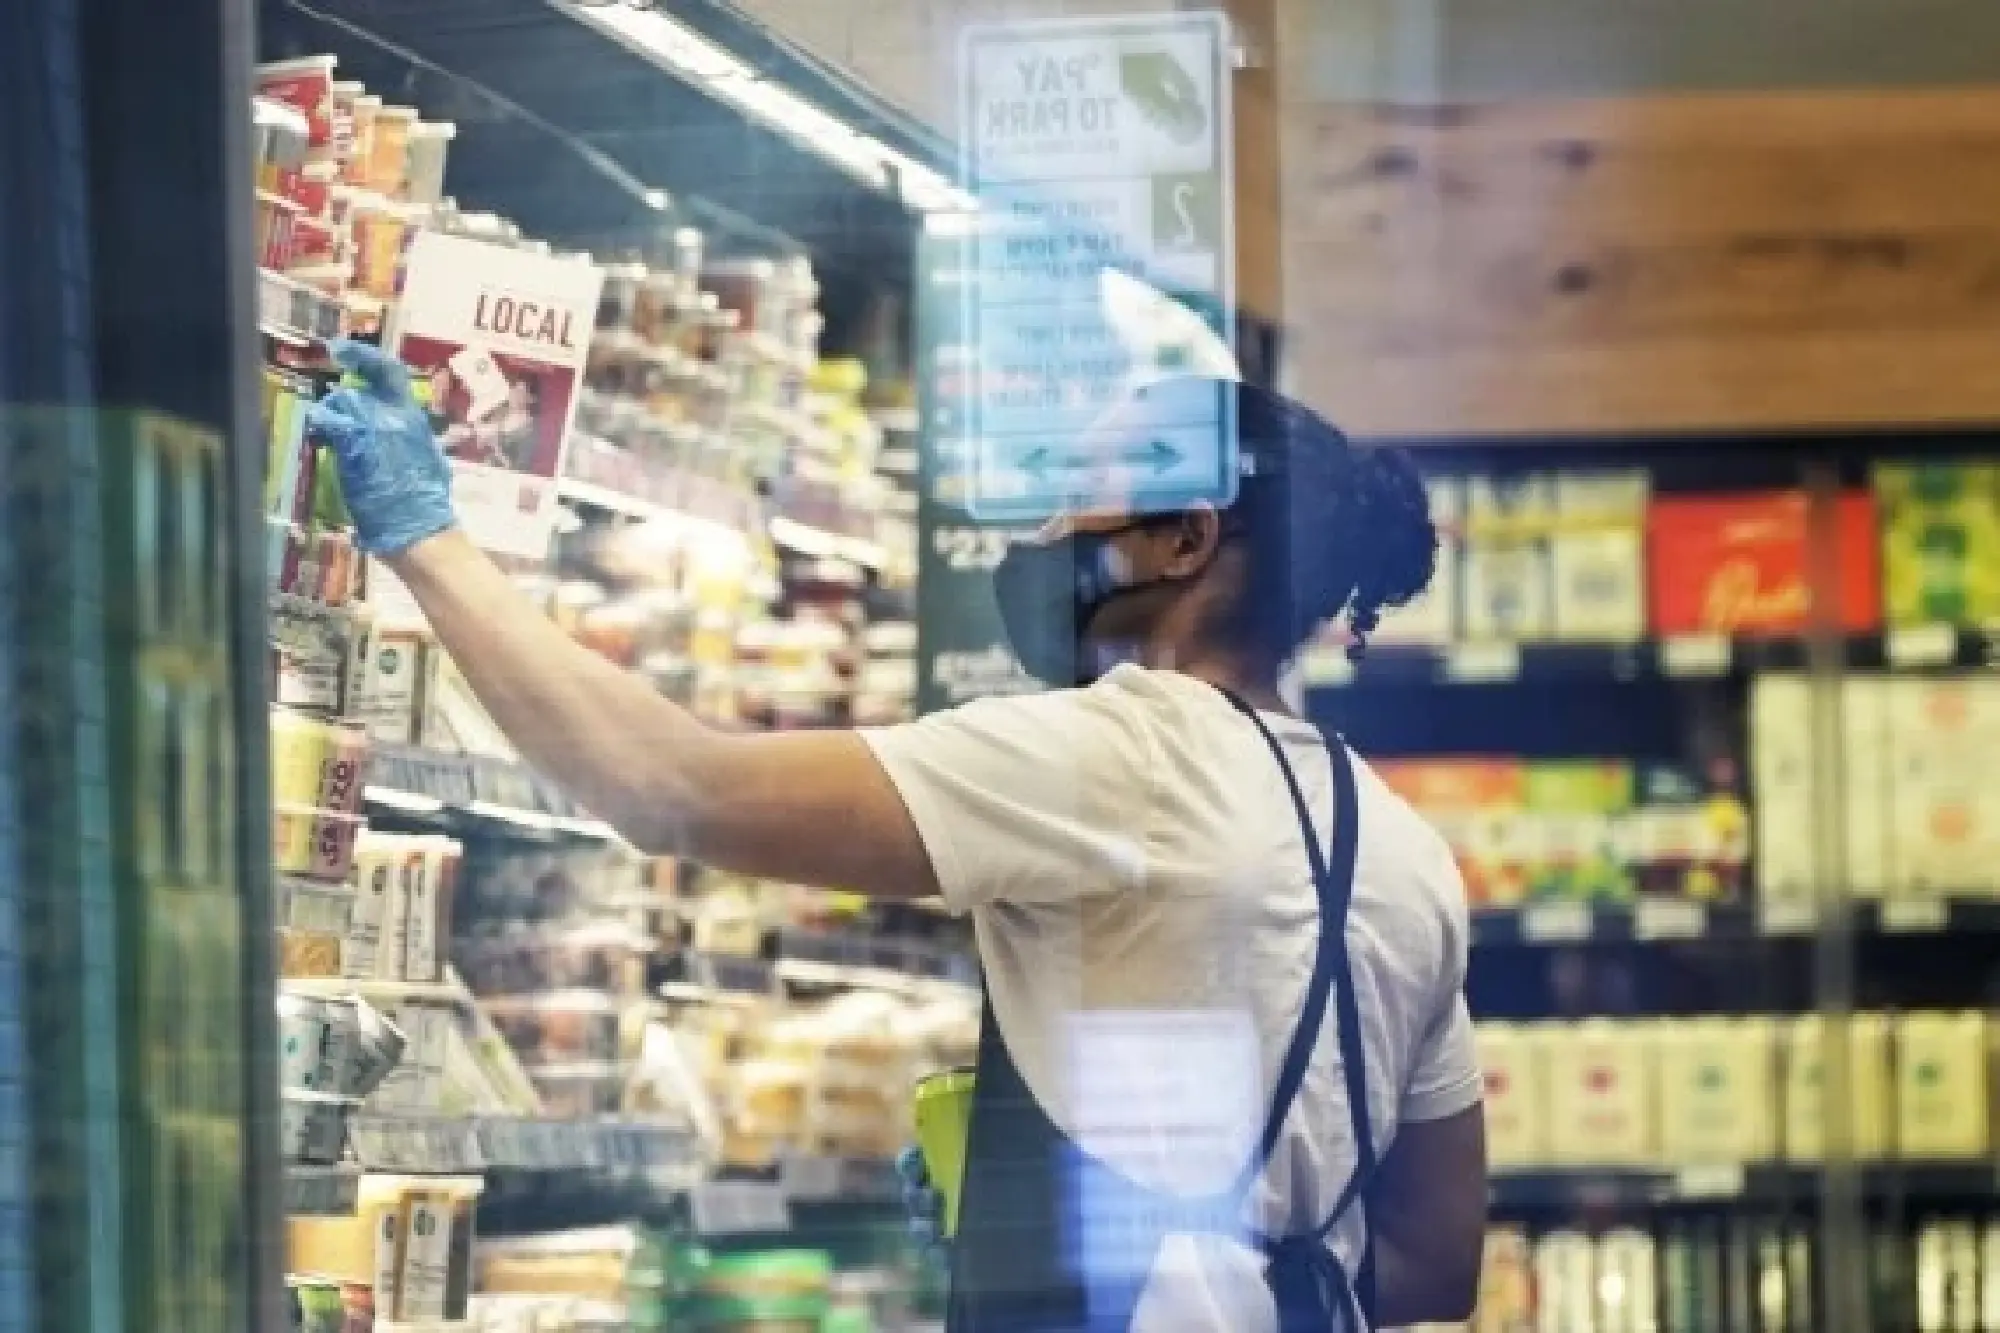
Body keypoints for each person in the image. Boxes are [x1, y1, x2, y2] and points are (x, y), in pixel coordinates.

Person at [308, 339, 1487, 1332]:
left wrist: (428, 539)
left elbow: (674, 787)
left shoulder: (1116, 751)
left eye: (1079, 495)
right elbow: (1434, 1263)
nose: (1042, 531)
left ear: (1182, 539)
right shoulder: (1397, 845)